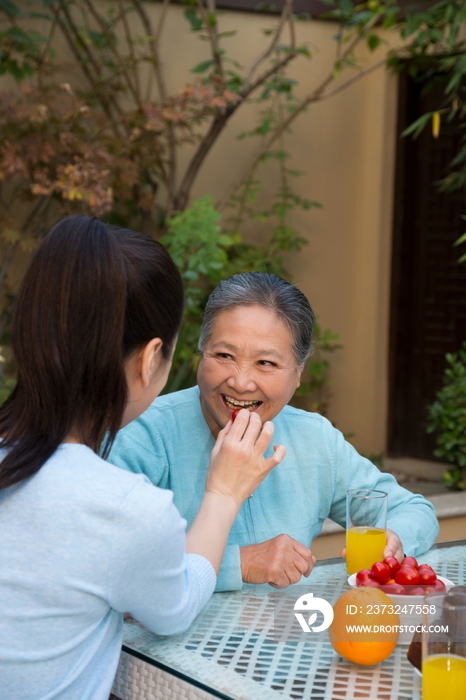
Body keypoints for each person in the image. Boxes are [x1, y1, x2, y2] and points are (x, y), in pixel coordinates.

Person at [0, 220, 284, 700]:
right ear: (150, 359)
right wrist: (223, 493)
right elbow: (173, 610)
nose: (241, 381)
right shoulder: (123, 507)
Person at [108, 272, 439, 592]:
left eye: (265, 363)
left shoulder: (314, 439)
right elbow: (112, 565)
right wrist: (241, 563)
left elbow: (414, 511)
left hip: (289, 638)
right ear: (200, 351)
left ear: (298, 373)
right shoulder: (143, 433)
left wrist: (395, 540)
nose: (240, 381)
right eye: (224, 355)